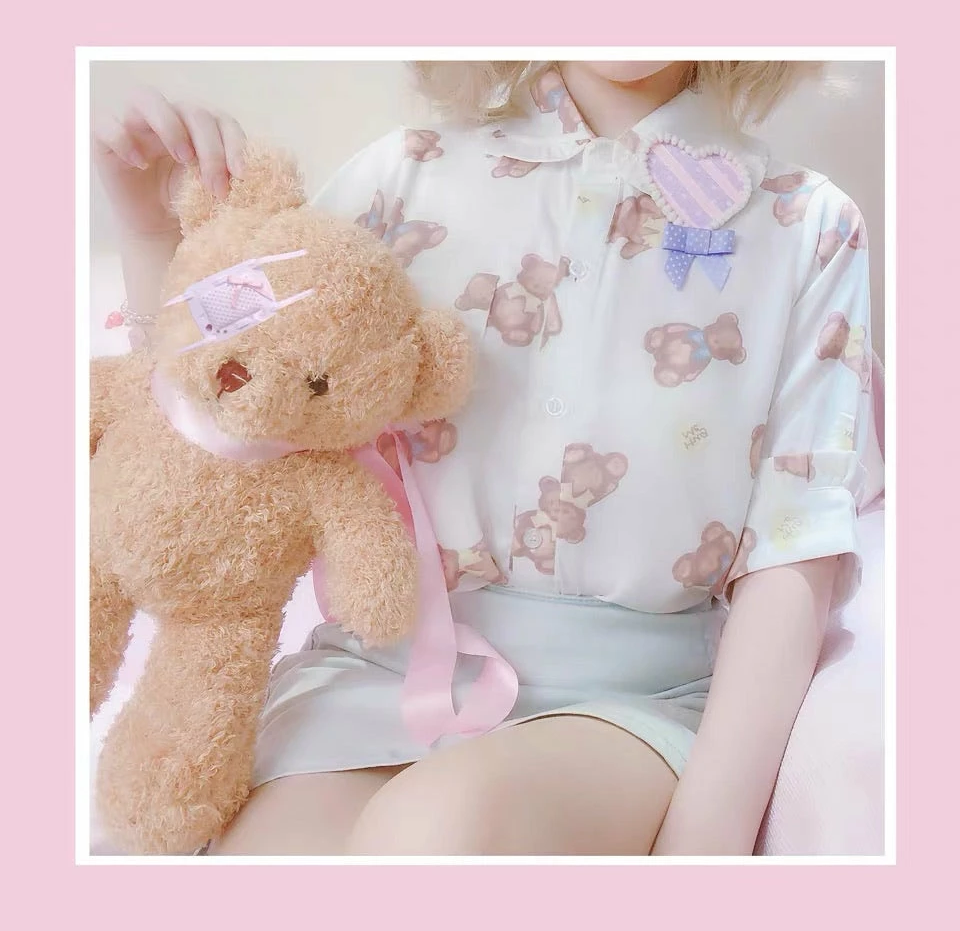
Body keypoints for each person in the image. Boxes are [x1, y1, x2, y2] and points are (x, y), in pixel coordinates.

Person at [93, 60, 879, 856]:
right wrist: (151, 231)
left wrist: (702, 855)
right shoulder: (403, 174)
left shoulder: (805, 226)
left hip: (629, 705)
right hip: (374, 675)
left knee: (438, 831)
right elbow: (222, 410)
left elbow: (793, 549)